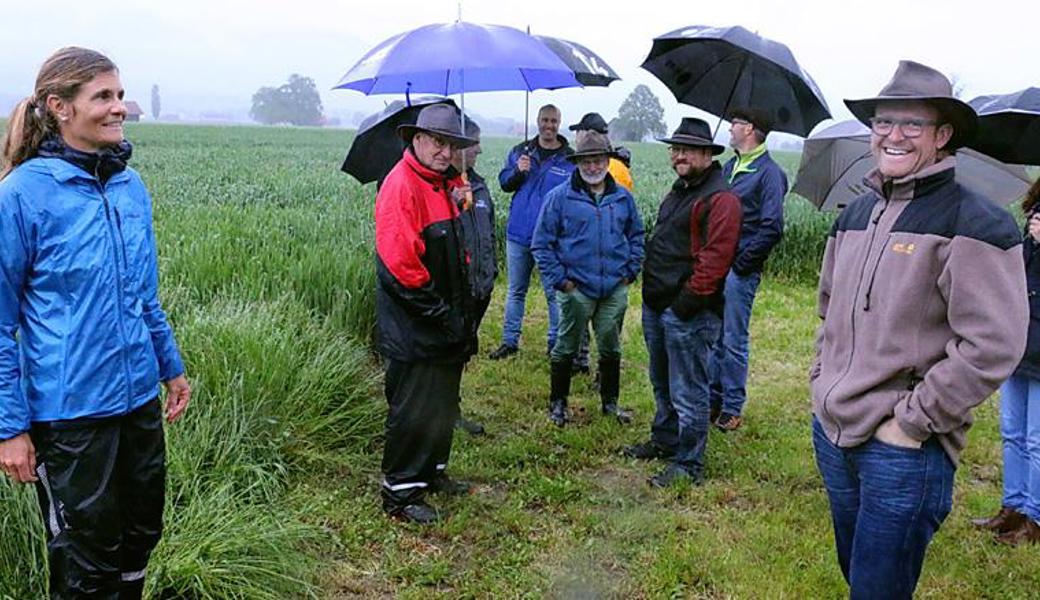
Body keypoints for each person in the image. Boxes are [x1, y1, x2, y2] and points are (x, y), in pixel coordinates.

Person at [810, 60, 1028, 598]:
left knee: (879, 588)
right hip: (834, 431)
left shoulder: (976, 223)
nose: (894, 135)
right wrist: (821, 380)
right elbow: (828, 308)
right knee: (856, 570)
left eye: (912, 124)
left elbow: (993, 344)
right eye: (884, 122)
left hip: (903, 447)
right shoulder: (855, 214)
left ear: (943, 135)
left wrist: (912, 422)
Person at [0, 47, 191, 599]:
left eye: (119, 95)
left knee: (139, 538)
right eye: (102, 96)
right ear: (59, 107)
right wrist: (10, 428)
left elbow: (143, 295)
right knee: (87, 557)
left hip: (136, 402)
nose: (119, 108)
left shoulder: (130, 189)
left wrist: (170, 368)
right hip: (71, 416)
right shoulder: (22, 196)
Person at [374, 103, 481, 524]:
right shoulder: (402, 187)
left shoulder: (447, 184)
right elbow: (402, 270)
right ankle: (400, 492)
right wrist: (443, 314)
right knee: (413, 408)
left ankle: (431, 473)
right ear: (415, 139)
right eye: (437, 141)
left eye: (451, 144)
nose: (444, 151)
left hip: (446, 321)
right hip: (417, 323)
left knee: (441, 403)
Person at [622, 118, 742, 486]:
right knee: (662, 382)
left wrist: (682, 307)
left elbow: (714, 263)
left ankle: (689, 464)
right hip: (658, 307)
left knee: (689, 390)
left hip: (688, 314)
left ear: (708, 153)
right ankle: (665, 438)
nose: (678, 155)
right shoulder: (682, 189)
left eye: (687, 149)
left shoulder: (721, 199)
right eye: (675, 149)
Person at [531, 130, 644, 427]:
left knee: (611, 348)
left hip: (613, 289)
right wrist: (562, 282)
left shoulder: (623, 198)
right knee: (566, 347)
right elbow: (542, 243)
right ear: (577, 162)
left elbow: (636, 236)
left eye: (598, 160)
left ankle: (610, 405)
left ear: (607, 161)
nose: (593, 167)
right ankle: (558, 405)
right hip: (575, 288)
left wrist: (630, 272)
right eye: (587, 161)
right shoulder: (559, 198)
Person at [707, 106, 788, 432]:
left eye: (735, 123)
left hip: (739, 271)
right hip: (716, 267)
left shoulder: (770, 174)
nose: (729, 128)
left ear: (750, 128)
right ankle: (712, 398)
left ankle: (731, 406)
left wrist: (741, 264)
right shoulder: (728, 168)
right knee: (714, 336)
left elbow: (772, 226)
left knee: (733, 338)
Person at [971, 176, 1040, 545]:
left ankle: (1035, 519)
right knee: (1012, 433)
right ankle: (1012, 508)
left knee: (1037, 439)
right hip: (1022, 341)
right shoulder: (1033, 215)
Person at [488, 104, 574, 360]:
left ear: (559, 123)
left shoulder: (569, 158)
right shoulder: (520, 152)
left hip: (550, 239)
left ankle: (554, 343)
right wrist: (518, 171)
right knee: (516, 290)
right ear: (537, 121)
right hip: (519, 233)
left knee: (553, 292)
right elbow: (504, 184)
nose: (549, 126)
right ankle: (510, 341)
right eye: (545, 120)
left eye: (554, 121)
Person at [567, 113, 635, 377]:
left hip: (601, 256)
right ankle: (591, 366)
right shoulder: (618, 166)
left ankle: (587, 364)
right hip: (609, 258)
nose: (577, 138)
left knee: (597, 318)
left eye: (580, 132)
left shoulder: (611, 170)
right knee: (605, 323)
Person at [452, 114, 495, 436]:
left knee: (464, 349)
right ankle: (446, 412)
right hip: (458, 288)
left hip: (481, 285)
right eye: (474, 142)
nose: (479, 149)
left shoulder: (478, 185)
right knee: (450, 353)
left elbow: (488, 231)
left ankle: (452, 408)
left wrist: (491, 272)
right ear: (458, 146)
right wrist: (454, 205)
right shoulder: (443, 188)